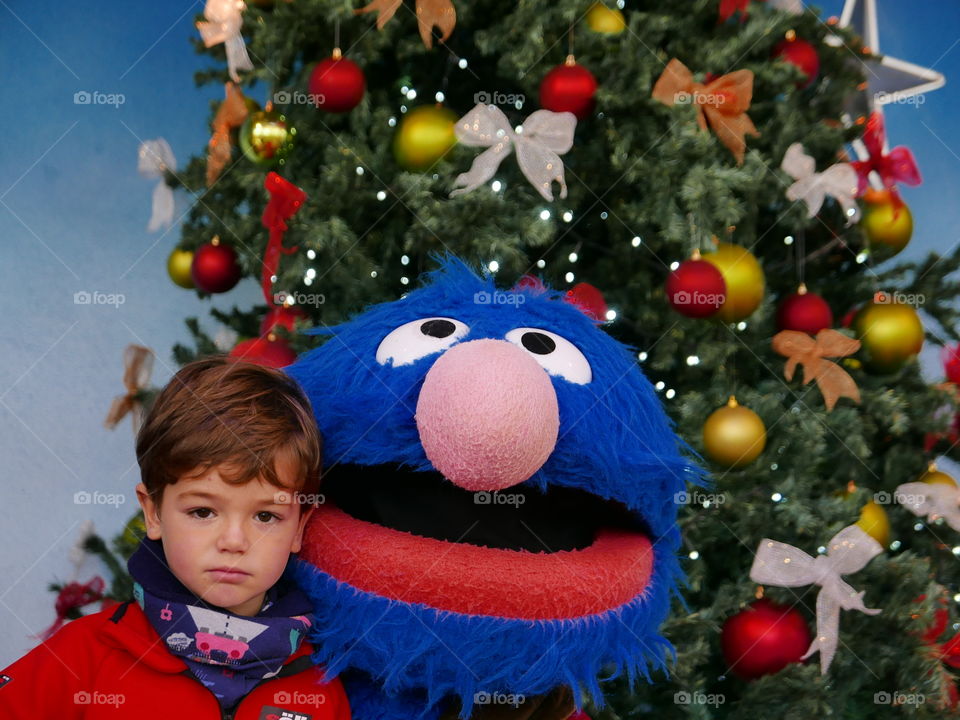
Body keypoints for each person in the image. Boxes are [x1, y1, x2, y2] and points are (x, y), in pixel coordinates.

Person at [0, 356, 350, 720]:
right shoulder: (81, 656)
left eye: (265, 516)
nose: (234, 541)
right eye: (203, 512)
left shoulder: (320, 685)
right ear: (153, 513)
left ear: (297, 528)